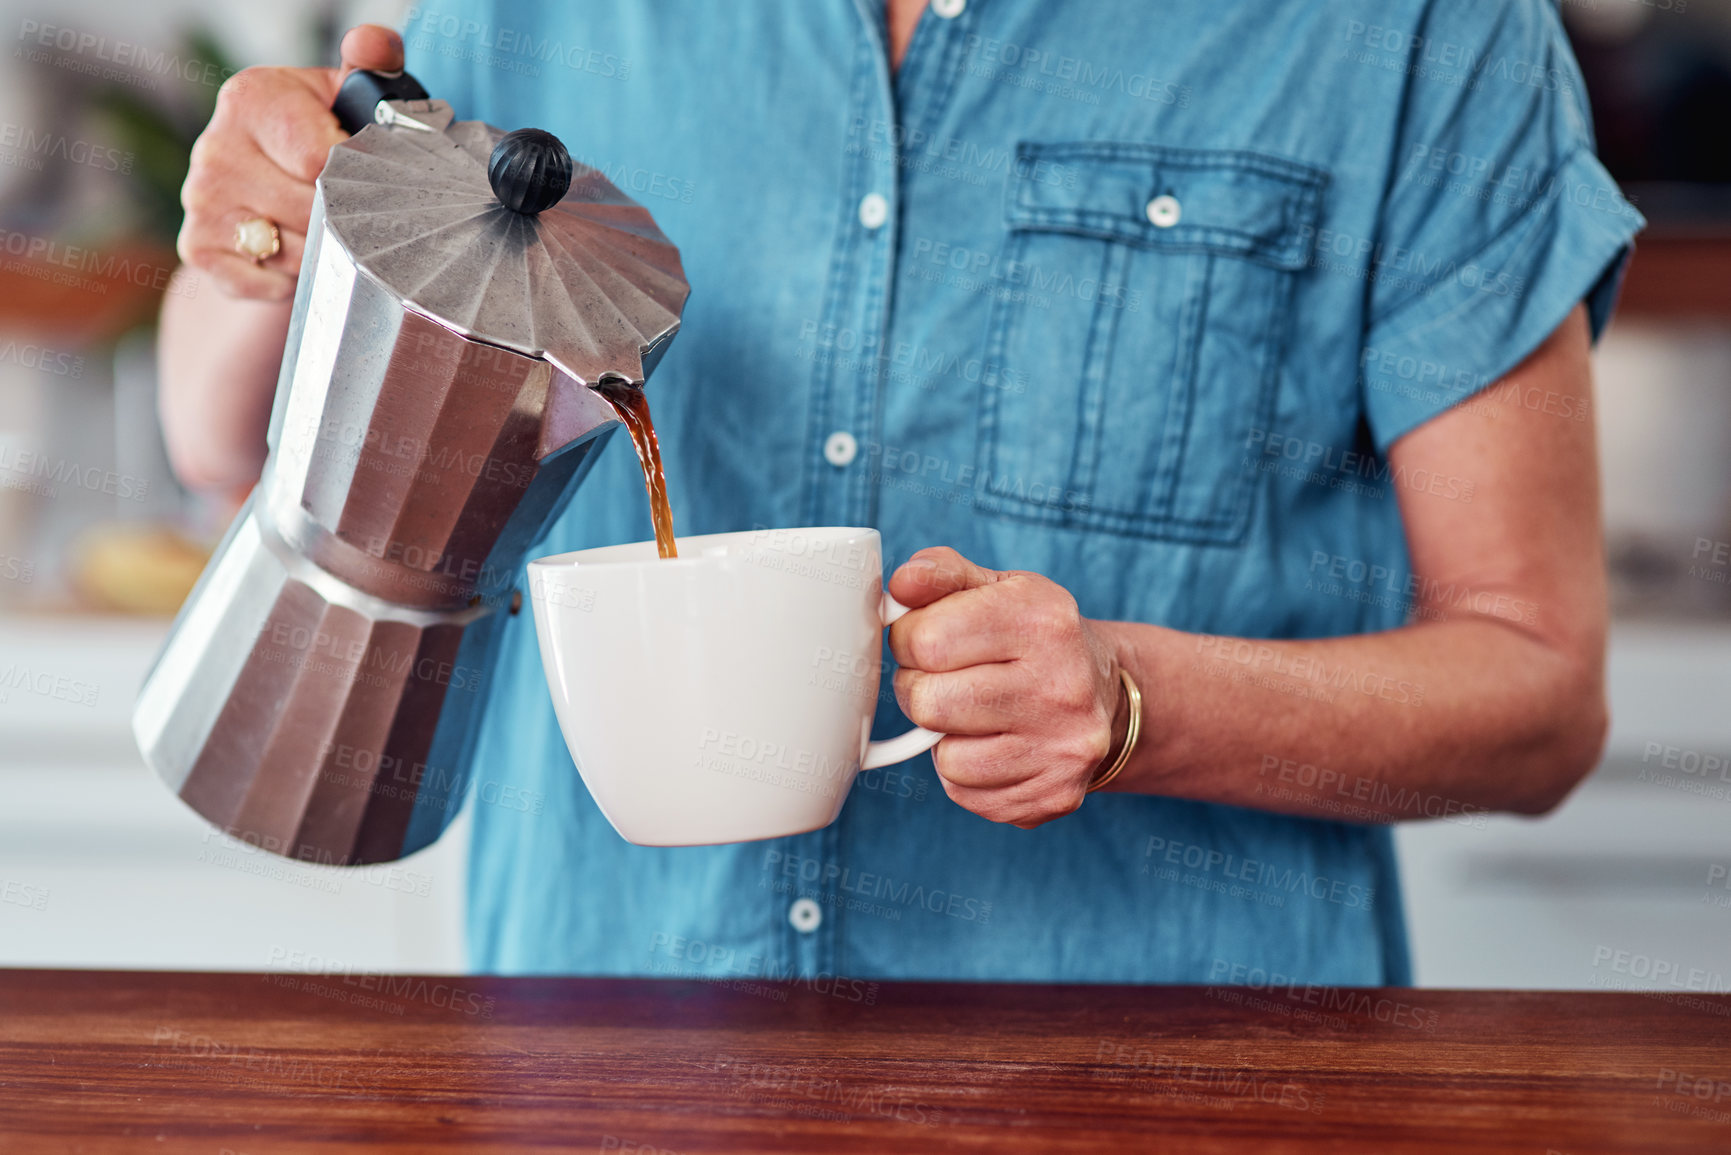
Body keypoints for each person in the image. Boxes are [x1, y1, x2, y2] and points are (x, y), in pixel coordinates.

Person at [160, 0, 1643, 985]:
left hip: (1178, 1094)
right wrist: (256, 235)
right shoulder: (525, 8)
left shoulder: (1420, 36)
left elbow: (1536, 692)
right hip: (602, 1083)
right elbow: (224, 440)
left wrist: (1134, 704)